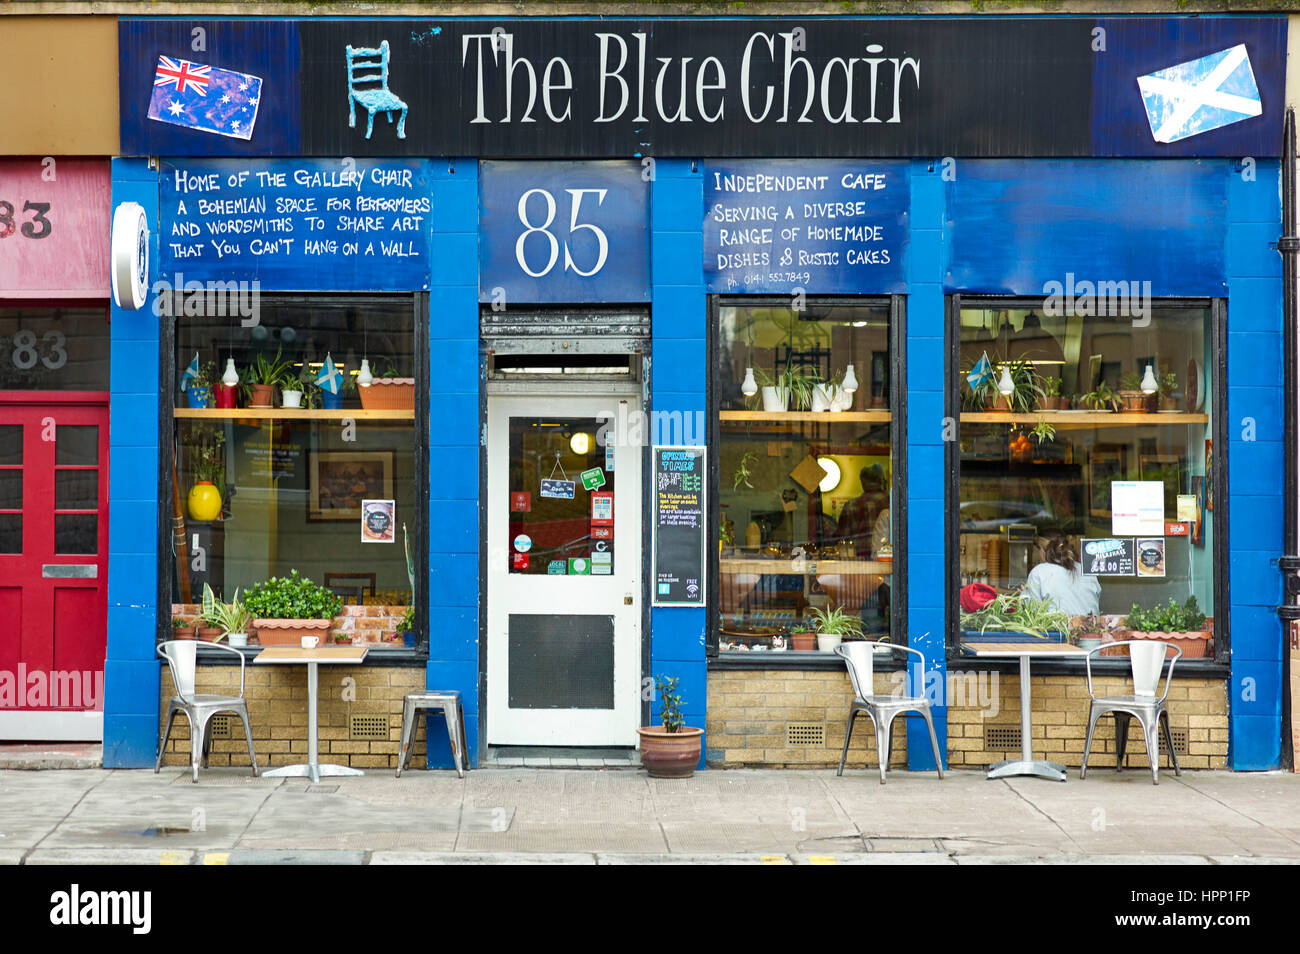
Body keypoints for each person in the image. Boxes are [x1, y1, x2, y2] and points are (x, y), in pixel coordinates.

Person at [1024, 530, 1100, 615]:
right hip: (1088, 626)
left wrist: (1025, 596)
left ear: (1042, 551)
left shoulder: (1038, 572)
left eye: (1038, 549)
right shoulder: (1086, 571)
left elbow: (1032, 614)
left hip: (1054, 628)